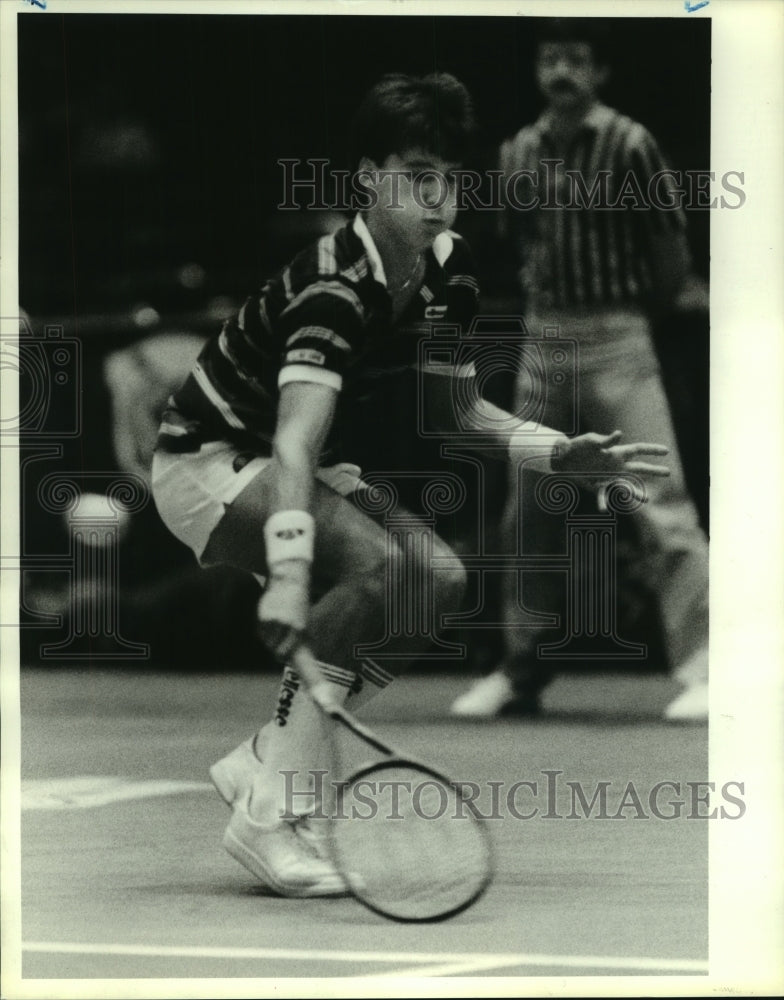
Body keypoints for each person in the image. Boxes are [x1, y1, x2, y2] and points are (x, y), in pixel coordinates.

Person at [151, 72, 671, 898]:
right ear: (368, 177)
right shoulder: (334, 285)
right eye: (415, 177)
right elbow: (292, 438)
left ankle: (269, 757)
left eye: (449, 180)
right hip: (210, 463)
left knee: (437, 583)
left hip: (308, 467)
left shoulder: (449, 271)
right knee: (376, 568)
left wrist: (551, 449)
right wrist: (288, 576)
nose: (436, 199)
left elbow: (457, 409)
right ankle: (270, 811)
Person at [449, 19, 709, 724]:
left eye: (576, 60)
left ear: (600, 72)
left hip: (618, 331)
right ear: (539, 69)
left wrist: (639, 313)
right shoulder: (519, 150)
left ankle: (706, 666)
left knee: (658, 498)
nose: (562, 71)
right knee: (529, 510)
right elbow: (518, 244)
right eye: (550, 58)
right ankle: (520, 671)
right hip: (544, 336)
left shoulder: (630, 143)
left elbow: (667, 247)